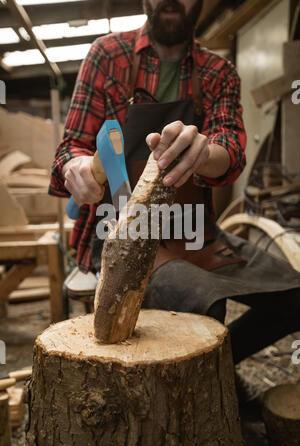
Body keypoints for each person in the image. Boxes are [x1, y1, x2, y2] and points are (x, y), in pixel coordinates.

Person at [49, 0, 300, 364]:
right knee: (198, 302)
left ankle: (216, 371)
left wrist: (204, 153)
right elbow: (67, 150)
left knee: (294, 296)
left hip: (194, 231)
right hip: (118, 232)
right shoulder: (107, 56)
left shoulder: (218, 71)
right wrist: (77, 166)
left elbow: (230, 150)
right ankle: (199, 374)